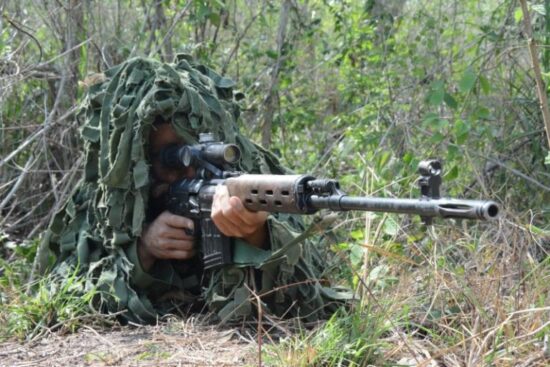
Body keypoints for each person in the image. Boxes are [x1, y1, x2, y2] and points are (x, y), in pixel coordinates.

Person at [37, 55, 349, 324]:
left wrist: (256, 235)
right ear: (138, 165)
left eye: (198, 151)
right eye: (171, 157)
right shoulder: (106, 203)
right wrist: (143, 251)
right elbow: (64, 297)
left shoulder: (250, 182)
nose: (190, 171)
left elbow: (311, 298)